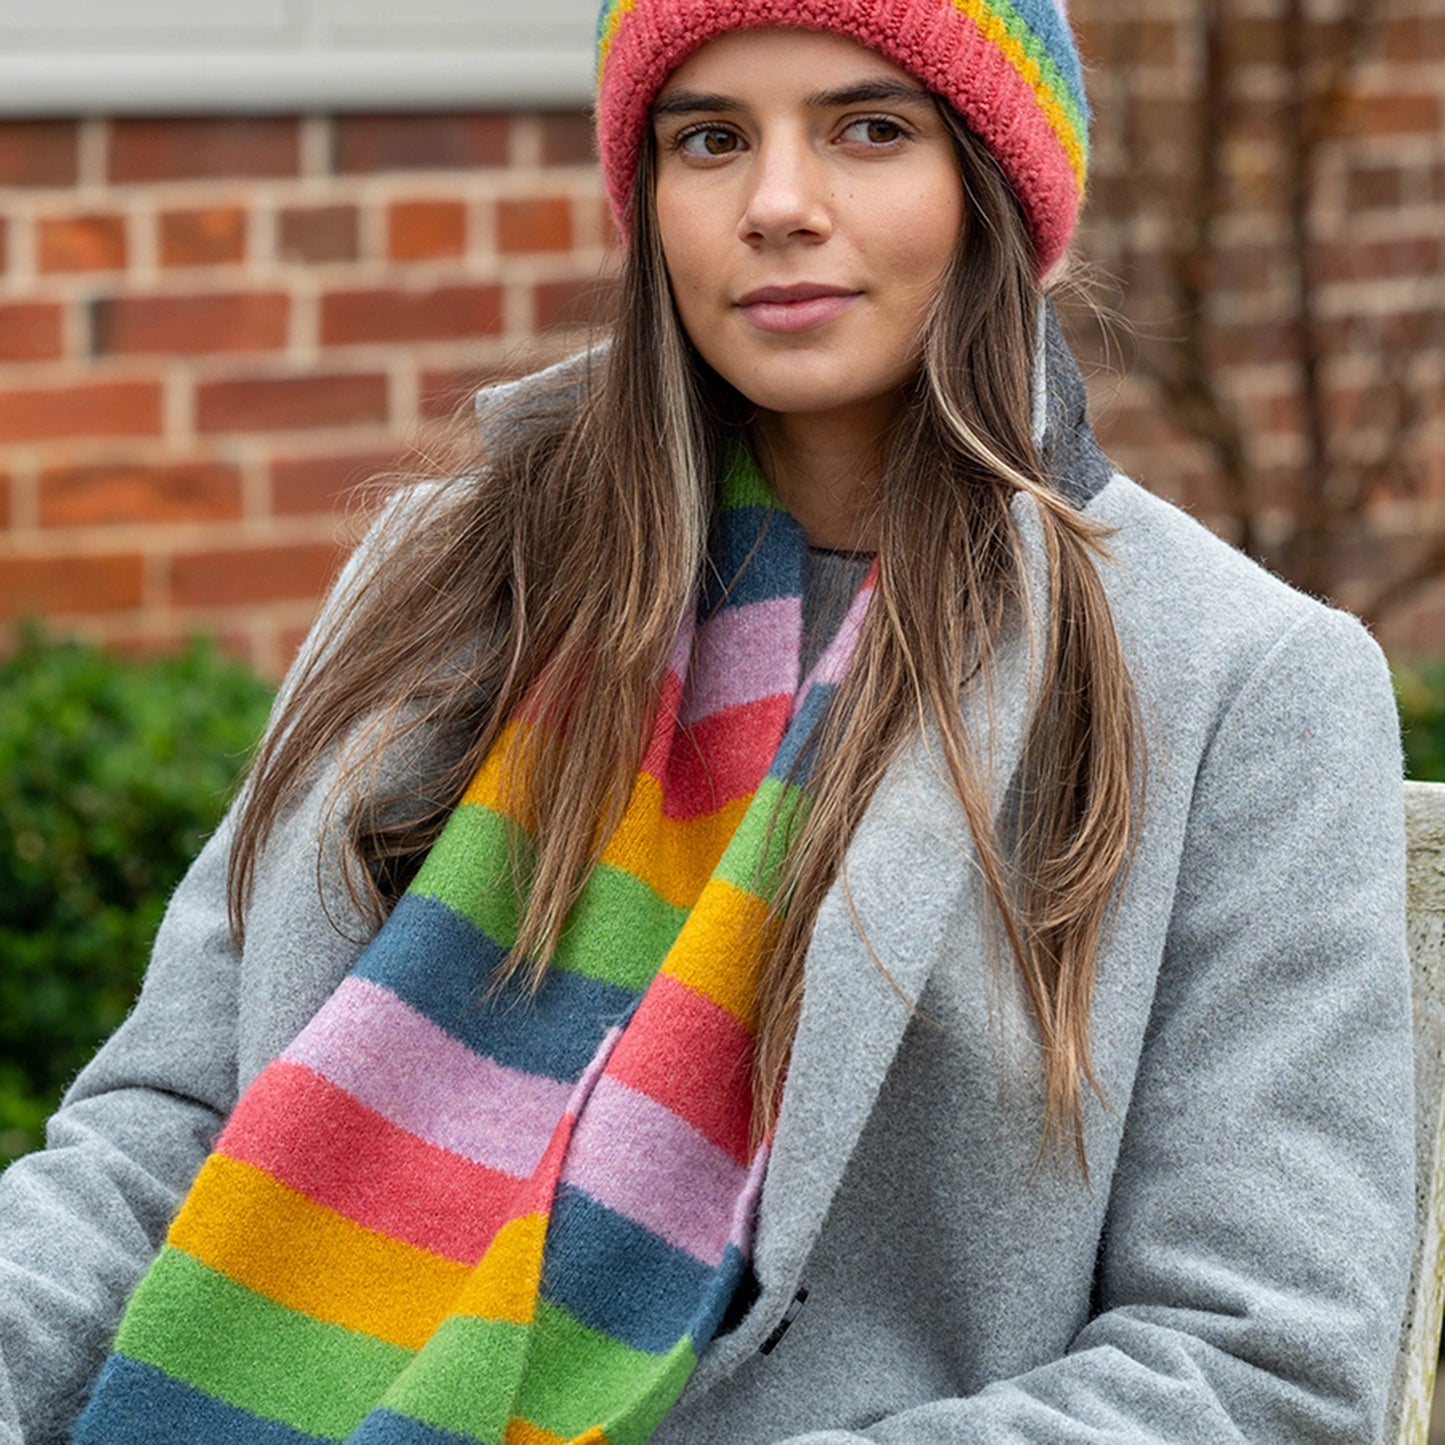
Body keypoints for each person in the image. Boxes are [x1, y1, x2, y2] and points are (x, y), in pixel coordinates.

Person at [0, 2, 1414, 1442]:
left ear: (992, 182)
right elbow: (170, 1130)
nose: (778, 205)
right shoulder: (450, 580)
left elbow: (1256, 1367)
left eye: (870, 129)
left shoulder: (1239, 681)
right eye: (709, 139)